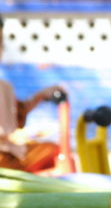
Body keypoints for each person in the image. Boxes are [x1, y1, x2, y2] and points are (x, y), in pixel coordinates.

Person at [0, 16, 65, 172]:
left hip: (9, 152)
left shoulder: (5, 87)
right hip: (6, 155)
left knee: (55, 150)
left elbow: (18, 116)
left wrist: (41, 95)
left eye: (0, 43)